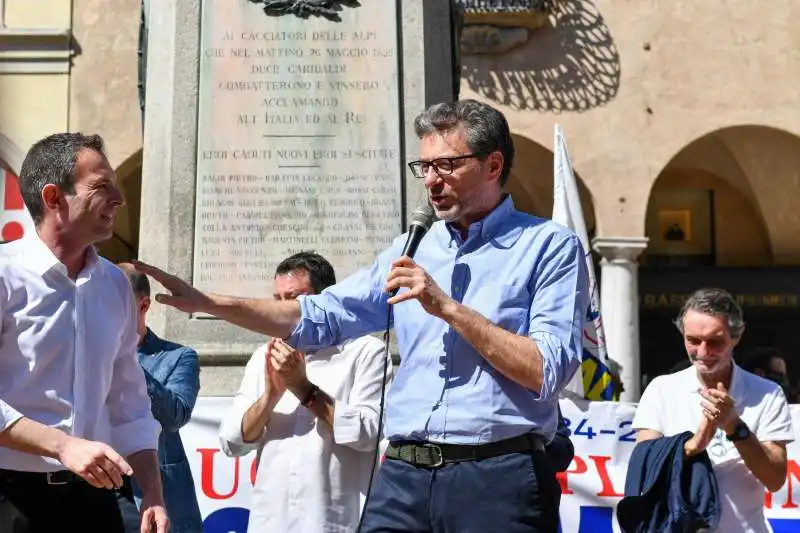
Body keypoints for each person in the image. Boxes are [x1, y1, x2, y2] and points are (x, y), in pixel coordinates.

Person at [136, 99, 588, 532]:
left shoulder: (549, 247)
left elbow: (546, 369)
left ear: (493, 165)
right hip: (404, 474)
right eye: (425, 167)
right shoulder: (412, 249)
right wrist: (211, 303)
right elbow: (319, 315)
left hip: (495, 476)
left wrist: (447, 308)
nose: (431, 181)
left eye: (447, 165)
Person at [0, 133, 168, 532]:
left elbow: (128, 402)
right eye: (100, 187)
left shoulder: (114, 286)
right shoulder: (5, 275)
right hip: (9, 498)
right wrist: (63, 446)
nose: (119, 199)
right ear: (54, 198)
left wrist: (153, 493)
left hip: (94, 501)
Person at [218, 251, 393, 532]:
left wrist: (304, 389)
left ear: (325, 301)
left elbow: (369, 434)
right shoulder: (264, 355)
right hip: (272, 520)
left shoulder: (366, 352)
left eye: (295, 299)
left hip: (334, 521)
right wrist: (270, 397)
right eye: (278, 300)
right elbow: (232, 443)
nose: (281, 311)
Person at [632, 288, 793, 533]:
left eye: (715, 342)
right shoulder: (661, 389)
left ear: (737, 336)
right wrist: (692, 445)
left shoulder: (767, 393)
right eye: (693, 340)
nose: (703, 352)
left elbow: (774, 479)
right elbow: (644, 469)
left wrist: (734, 426)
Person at [115, 263, 203, 533]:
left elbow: (175, 415)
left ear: (143, 306)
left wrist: (125, 358)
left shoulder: (178, 357)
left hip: (152, 498)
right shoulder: (83, 356)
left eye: (116, 304)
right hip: (94, 492)